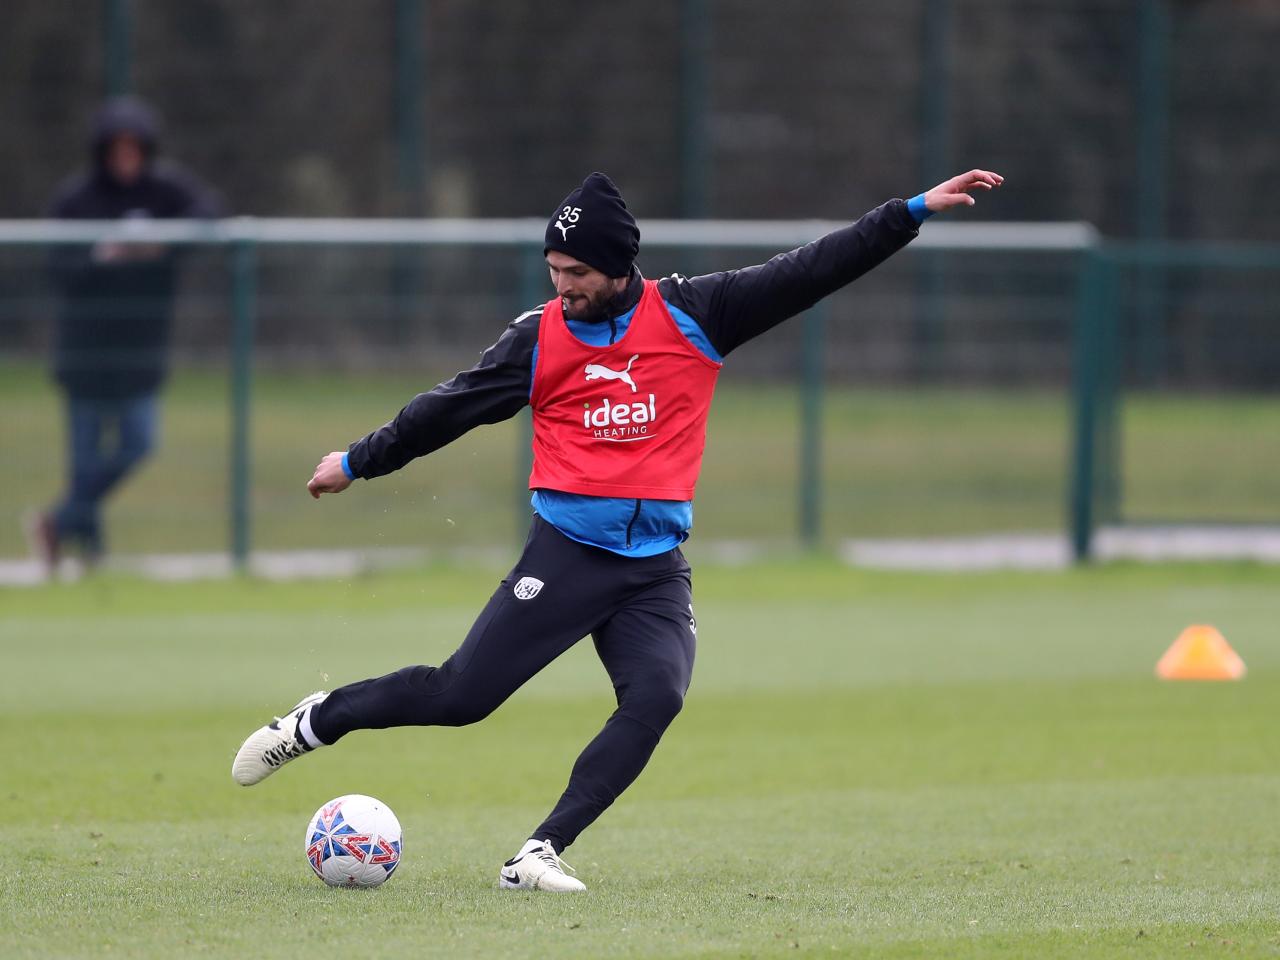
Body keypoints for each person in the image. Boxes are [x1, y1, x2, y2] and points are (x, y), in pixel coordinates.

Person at [232, 168, 1003, 891]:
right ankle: (317, 720)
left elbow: (810, 270)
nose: (562, 287)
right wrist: (357, 461)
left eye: (577, 273)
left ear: (619, 266)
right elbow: (448, 409)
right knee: (461, 696)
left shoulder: (697, 313)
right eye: (553, 271)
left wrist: (909, 213)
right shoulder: (538, 339)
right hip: (567, 556)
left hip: (654, 567)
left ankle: (538, 852)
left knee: (657, 695)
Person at [27, 96, 222, 575]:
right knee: (85, 461)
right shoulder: (76, 199)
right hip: (85, 353)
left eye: (134, 149)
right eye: (117, 149)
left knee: (138, 441)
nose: (126, 158)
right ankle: (90, 558)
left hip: (141, 351)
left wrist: (162, 241)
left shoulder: (165, 190)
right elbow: (54, 265)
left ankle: (56, 523)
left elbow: (210, 212)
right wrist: (102, 256)